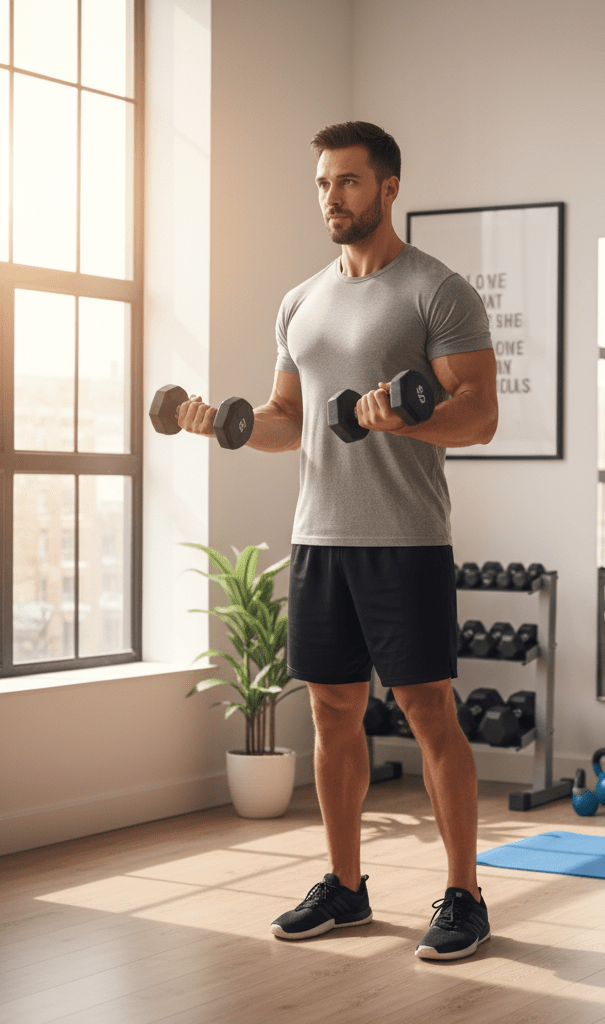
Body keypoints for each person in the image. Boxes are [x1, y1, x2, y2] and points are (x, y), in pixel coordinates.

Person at [176, 121, 499, 960]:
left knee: (429, 713)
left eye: (348, 181)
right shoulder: (300, 301)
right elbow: (289, 419)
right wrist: (230, 426)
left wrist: (407, 419)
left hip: (406, 539)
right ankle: (346, 886)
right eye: (323, 183)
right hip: (319, 536)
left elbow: (480, 414)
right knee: (331, 711)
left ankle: (464, 894)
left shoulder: (437, 291)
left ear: (389, 187)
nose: (332, 197)